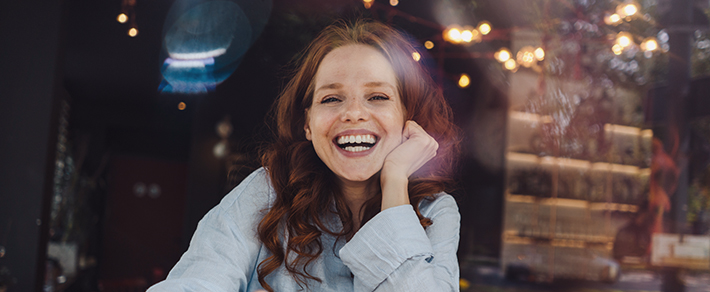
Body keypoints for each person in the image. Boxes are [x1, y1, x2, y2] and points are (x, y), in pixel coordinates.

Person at [148, 19, 461, 292]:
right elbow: (197, 281)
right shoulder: (268, 191)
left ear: (408, 118)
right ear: (307, 124)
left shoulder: (436, 210)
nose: (353, 113)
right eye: (331, 98)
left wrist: (395, 180)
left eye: (377, 96)